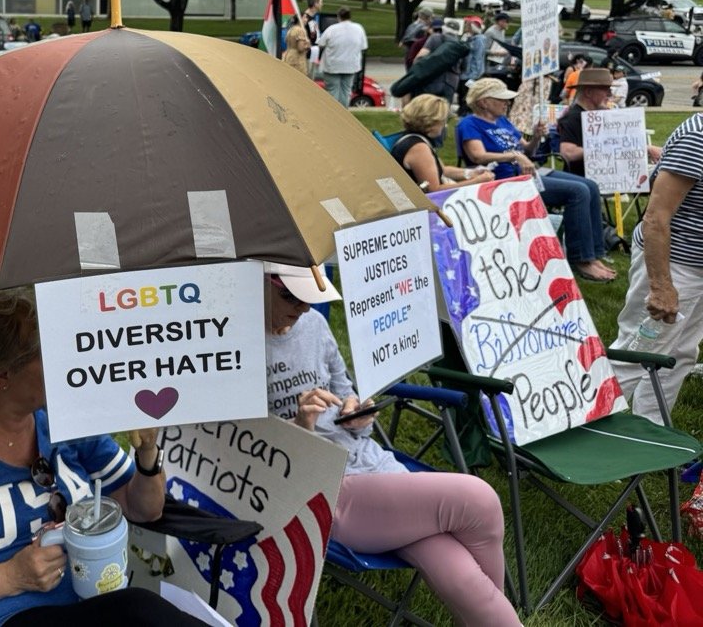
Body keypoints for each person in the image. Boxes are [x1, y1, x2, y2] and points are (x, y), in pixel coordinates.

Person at [0, 288, 207, 627]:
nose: (71, 362)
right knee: (139, 611)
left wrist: (147, 454)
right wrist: (10, 577)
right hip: (3, 618)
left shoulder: (67, 421)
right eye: (54, 353)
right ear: (2, 374)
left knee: (143, 611)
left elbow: (144, 508)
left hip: (95, 600)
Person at [264, 268, 521, 627]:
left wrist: (355, 411)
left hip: (372, 469)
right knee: (479, 500)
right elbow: (249, 457)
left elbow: (344, 391)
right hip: (322, 488)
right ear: (261, 283)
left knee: (459, 572)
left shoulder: (315, 328)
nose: (304, 308)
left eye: (311, 297)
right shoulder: (237, 353)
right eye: (291, 296)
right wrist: (300, 427)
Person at [457, 78, 616, 283]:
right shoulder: (469, 124)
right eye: (501, 99)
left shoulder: (503, 121)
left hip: (527, 172)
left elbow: (527, 150)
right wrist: (514, 156)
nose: (507, 103)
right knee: (578, 192)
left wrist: (535, 138)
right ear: (484, 102)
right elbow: (478, 156)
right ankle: (581, 259)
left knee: (590, 186)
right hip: (504, 180)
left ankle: (594, 253)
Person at [609, 113, 703, 422]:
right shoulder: (698, 136)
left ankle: (650, 433)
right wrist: (662, 285)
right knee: (637, 351)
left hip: (696, 268)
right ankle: (587, 432)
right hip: (674, 264)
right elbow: (655, 218)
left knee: (681, 354)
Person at [557, 68, 662, 178]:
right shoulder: (573, 117)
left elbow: (621, 143)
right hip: (584, 181)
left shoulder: (603, 115)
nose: (610, 94)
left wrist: (647, 148)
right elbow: (568, 152)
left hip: (612, 178)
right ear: (588, 92)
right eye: (605, 90)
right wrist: (605, 150)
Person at [392, 95, 493, 191]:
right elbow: (434, 190)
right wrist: (477, 182)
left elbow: (441, 170)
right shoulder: (418, 148)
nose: (445, 125)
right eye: (444, 121)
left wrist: (469, 173)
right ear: (432, 122)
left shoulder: (413, 139)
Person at [317, 7, 368, 106]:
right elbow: (363, 46)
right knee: (346, 92)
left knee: (332, 91)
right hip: (350, 66)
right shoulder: (359, 29)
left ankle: (333, 114)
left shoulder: (332, 29)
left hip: (332, 65)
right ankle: (344, 113)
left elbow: (321, 43)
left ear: (338, 17)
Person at [413, 18, 466, 103]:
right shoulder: (461, 45)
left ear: (444, 28)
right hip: (451, 82)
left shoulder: (435, 38)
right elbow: (464, 66)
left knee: (427, 107)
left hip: (432, 79)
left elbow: (420, 57)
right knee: (443, 110)